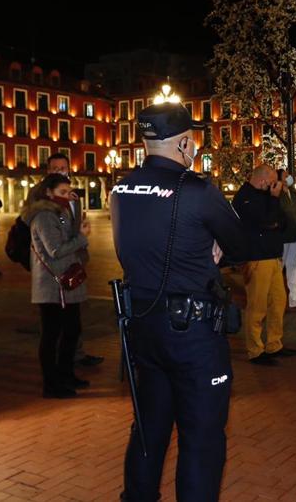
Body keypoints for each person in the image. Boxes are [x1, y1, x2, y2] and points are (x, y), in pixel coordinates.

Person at [112, 102, 248, 501]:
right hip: (193, 334)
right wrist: (218, 244)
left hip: (144, 328)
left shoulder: (121, 188)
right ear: (186, 142)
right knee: (202, 437)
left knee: (148, 430)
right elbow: (239, 245)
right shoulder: (198, 191)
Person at [23, 173, 91, 398]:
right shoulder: (43, 216)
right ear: (48, 193)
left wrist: (76, 205)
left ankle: (66, 375)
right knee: (53, 335)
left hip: (65, 284)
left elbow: (69, 234)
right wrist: (82, 237)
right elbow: (56, 250)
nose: (66, 197)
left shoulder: (58, 212)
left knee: (72, 331)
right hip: (52, 286)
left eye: (68, 192)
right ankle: (52, 384)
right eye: (62, 193)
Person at [233, 165, 296, 365]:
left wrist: (273, 212)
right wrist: (273, 202)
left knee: (278, 301)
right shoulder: (245, 198)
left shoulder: (265, 196)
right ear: (262, 180)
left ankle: (274, 343)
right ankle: (255, 349)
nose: (274, 186)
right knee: (257, 305)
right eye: (271, 182)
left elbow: (282, 221)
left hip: (272, 256)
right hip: (256, 258)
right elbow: (266, 220)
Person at [44, 153, 104, 368]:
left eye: (63, 167)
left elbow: (76, 222)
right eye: (56, 168)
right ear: (48, 170)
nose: (60, 170)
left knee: (74, 316)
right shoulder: (42, 199)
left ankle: (75, 354)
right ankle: (64, 362)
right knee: (58, 321)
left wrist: (82, 246)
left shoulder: (74, 197)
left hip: (75, 259)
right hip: (55, 265)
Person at [277, 169, 296, 308]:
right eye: (285, 176)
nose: (289, 177)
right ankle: (277, 298)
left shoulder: (293, 194)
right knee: (279, 267)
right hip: (283, 236)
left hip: (295, 235)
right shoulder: (277, 195)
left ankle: (295, 298)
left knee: (292, 265)